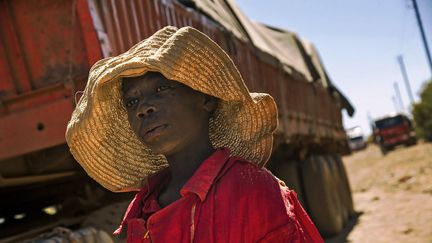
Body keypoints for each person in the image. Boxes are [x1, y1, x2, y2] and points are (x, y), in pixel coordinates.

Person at [66, 26, 323, 243]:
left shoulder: (251, 188)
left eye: (161, 88)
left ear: (205, 99)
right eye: (132, 102)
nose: (144, 108)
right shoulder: (144, 206)